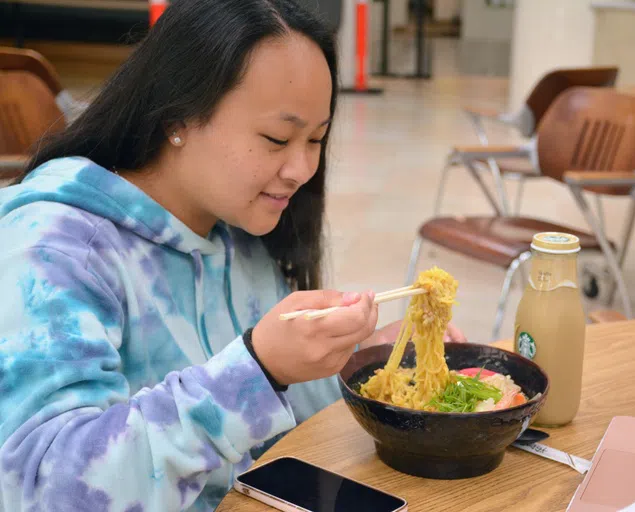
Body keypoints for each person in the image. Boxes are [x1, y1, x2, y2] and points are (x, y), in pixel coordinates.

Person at [0, 1, 465, 511]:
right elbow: (43, 488)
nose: (302, 168)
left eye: (316, 139)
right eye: (276, 138)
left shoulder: (234, 225)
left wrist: (365, 357)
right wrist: (257, 370)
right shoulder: (55, 246)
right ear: (178, 114)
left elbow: (283, 418)